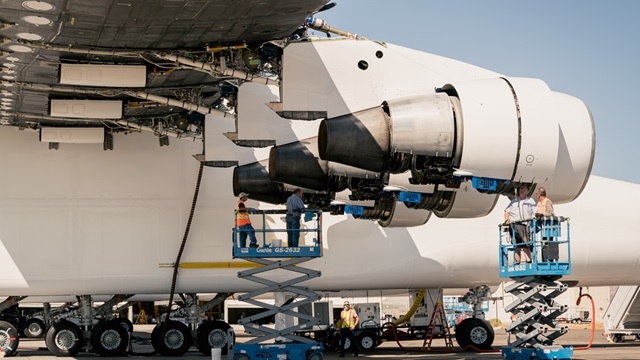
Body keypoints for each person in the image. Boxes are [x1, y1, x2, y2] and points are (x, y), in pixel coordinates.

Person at [504, 184, 537, 264]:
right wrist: (507, 220)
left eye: (523, 188)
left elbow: (535, 212)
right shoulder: (514, 201)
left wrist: (533, 221)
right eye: (520, 189)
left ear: (527, 191)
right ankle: (517, 262)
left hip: (525, 225)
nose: (521, 190)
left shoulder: (530, 201)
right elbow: (506, 211)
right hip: (514, 226)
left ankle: (528, 261)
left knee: (526, 243)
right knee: (517, 245)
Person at [536, 187, 557, 262]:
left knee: (549, 242)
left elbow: (550, 213)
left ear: (540, 195)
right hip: (543, 226)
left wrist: (542, 214)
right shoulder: (539, 203)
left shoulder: (547, 202)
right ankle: (545, 259)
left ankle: (550, 260)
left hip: (549, 226)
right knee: (544, 243)